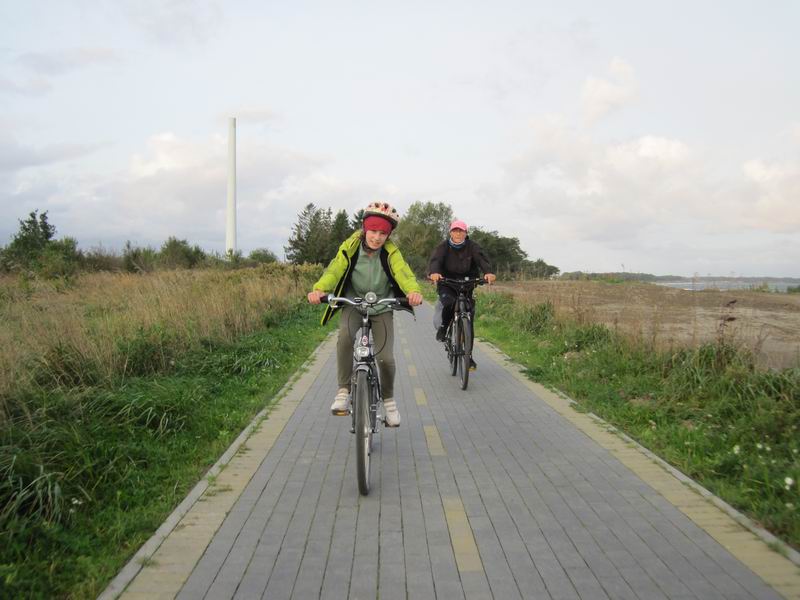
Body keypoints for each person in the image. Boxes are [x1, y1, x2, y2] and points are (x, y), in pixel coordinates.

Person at [307, 201, 423, 427]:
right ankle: (343, 391)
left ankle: (389, 402)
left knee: (385, 358)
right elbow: (335, 269)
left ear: (388, 235)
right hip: (353, 304)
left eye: (383, 233)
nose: (377, 238)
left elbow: (403, 273)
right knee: (344, 338)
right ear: (365, 228)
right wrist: (320, 289)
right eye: (373, 231)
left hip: (381, 307)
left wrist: (413, 291)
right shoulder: (350, 247)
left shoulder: (391, 252)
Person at [427, 219, 496, 370]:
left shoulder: (472, 247)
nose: (458, 234)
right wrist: (434, 272)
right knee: (449, 303)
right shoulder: (443, 246)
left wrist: (488, 272)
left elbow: (482, 259)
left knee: (469, 318)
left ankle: (468, 356)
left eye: (461, 231)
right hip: (447, 283)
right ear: (450, 232)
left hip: (467, 284)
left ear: (466, 233)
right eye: (455, 231)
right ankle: (444, 327)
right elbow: (435, 260)